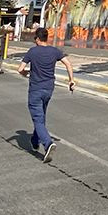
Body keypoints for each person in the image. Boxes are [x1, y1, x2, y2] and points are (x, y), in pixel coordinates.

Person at [17, 27, 75, 162]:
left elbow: (20, 69)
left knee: (37, 118)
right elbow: (68, 64)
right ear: (46, 38)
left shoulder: (32, 51)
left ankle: (48, 143)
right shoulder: (54, 51)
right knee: (41, 116)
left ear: (37, 39)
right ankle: (34, 140)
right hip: (49, 89)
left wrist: (25, 73)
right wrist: (71, 80)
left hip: (35, 89)